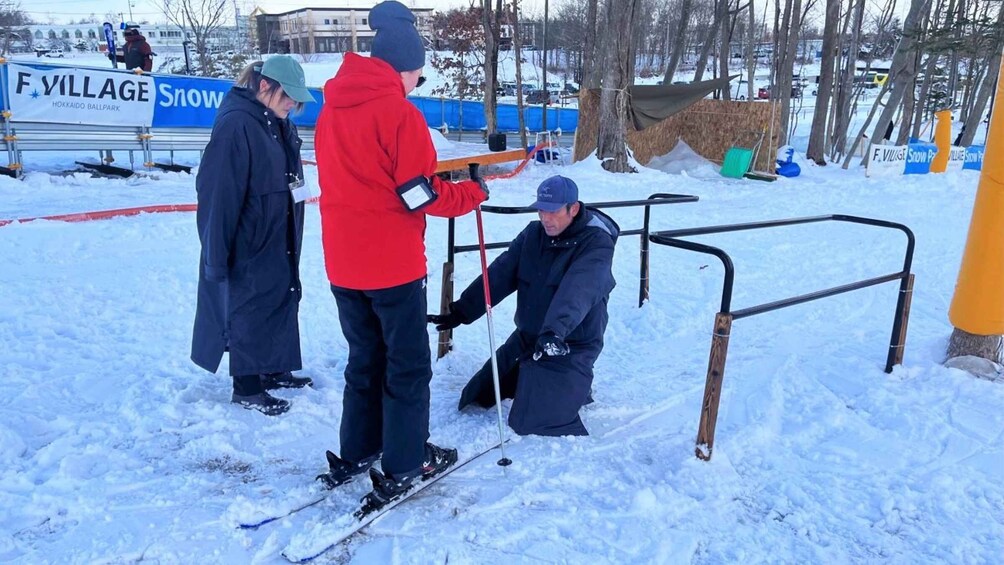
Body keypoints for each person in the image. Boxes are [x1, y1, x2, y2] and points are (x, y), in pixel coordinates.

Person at [312, 0, 488, 506]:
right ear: (404, 68)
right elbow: (420, 194)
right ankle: (407, 461)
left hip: (344, 264)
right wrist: (470, 194)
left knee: (364, 358)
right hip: (391, 266)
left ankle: (360, 446)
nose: (417, 82)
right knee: (407, 366)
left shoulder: (332, 110)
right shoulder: (398, 113)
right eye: (417, 74)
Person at [430, 176, 619, 436]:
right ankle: (553, 381)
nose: (545, 218)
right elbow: (500, 273)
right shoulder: (533, 234)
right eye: (541, 210)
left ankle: (575, 386)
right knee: (478, 394)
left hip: (568, 342)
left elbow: (578, 290)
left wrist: (555, 332)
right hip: (529, 336)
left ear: (573, 209)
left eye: (552, 211)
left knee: (533, 420)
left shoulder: (596, 243)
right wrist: (463, 310)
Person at [191, 57, 316, 416]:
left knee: (280, 294)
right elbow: (217, 193)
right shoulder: (236, 126)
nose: (293, 104)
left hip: (279, 228)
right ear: (264, 86)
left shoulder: (276, 122)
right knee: (248, 302)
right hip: (248, 235)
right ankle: (247, 385)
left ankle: (274, 368)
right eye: (288, 96)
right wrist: (216, 254)